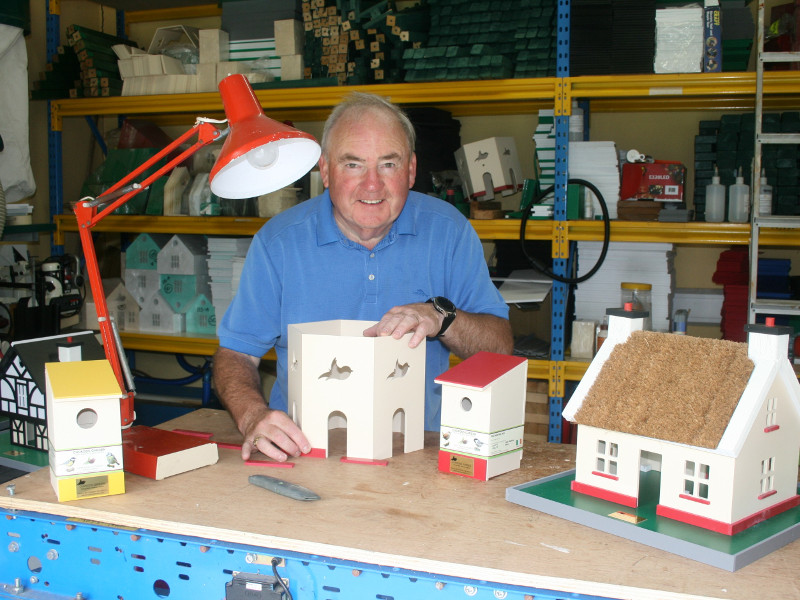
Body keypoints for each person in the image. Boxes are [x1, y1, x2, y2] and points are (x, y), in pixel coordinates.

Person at [212, 91, 513, 463]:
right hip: (305, 452)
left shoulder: (448, 231)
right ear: (325, 170)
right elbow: (236, 354)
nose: (372, 185)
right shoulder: (278, 244)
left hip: (418, 454)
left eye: (388, 164)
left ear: (411, 170)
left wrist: (443, 317)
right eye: (353, 165)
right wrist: (251, 415)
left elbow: (500, 348)